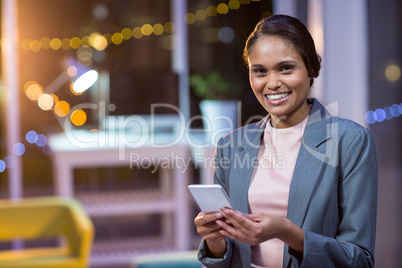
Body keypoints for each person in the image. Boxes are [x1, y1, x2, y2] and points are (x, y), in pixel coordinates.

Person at [193, 14, 378, 268]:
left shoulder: (350, 142)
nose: (272, 83)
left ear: (311, 68)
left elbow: (360, 260)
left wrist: (287, 232)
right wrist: (215, 241)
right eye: (259, 71)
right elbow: (229, 258)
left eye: (285, 68)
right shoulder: (231, 146)